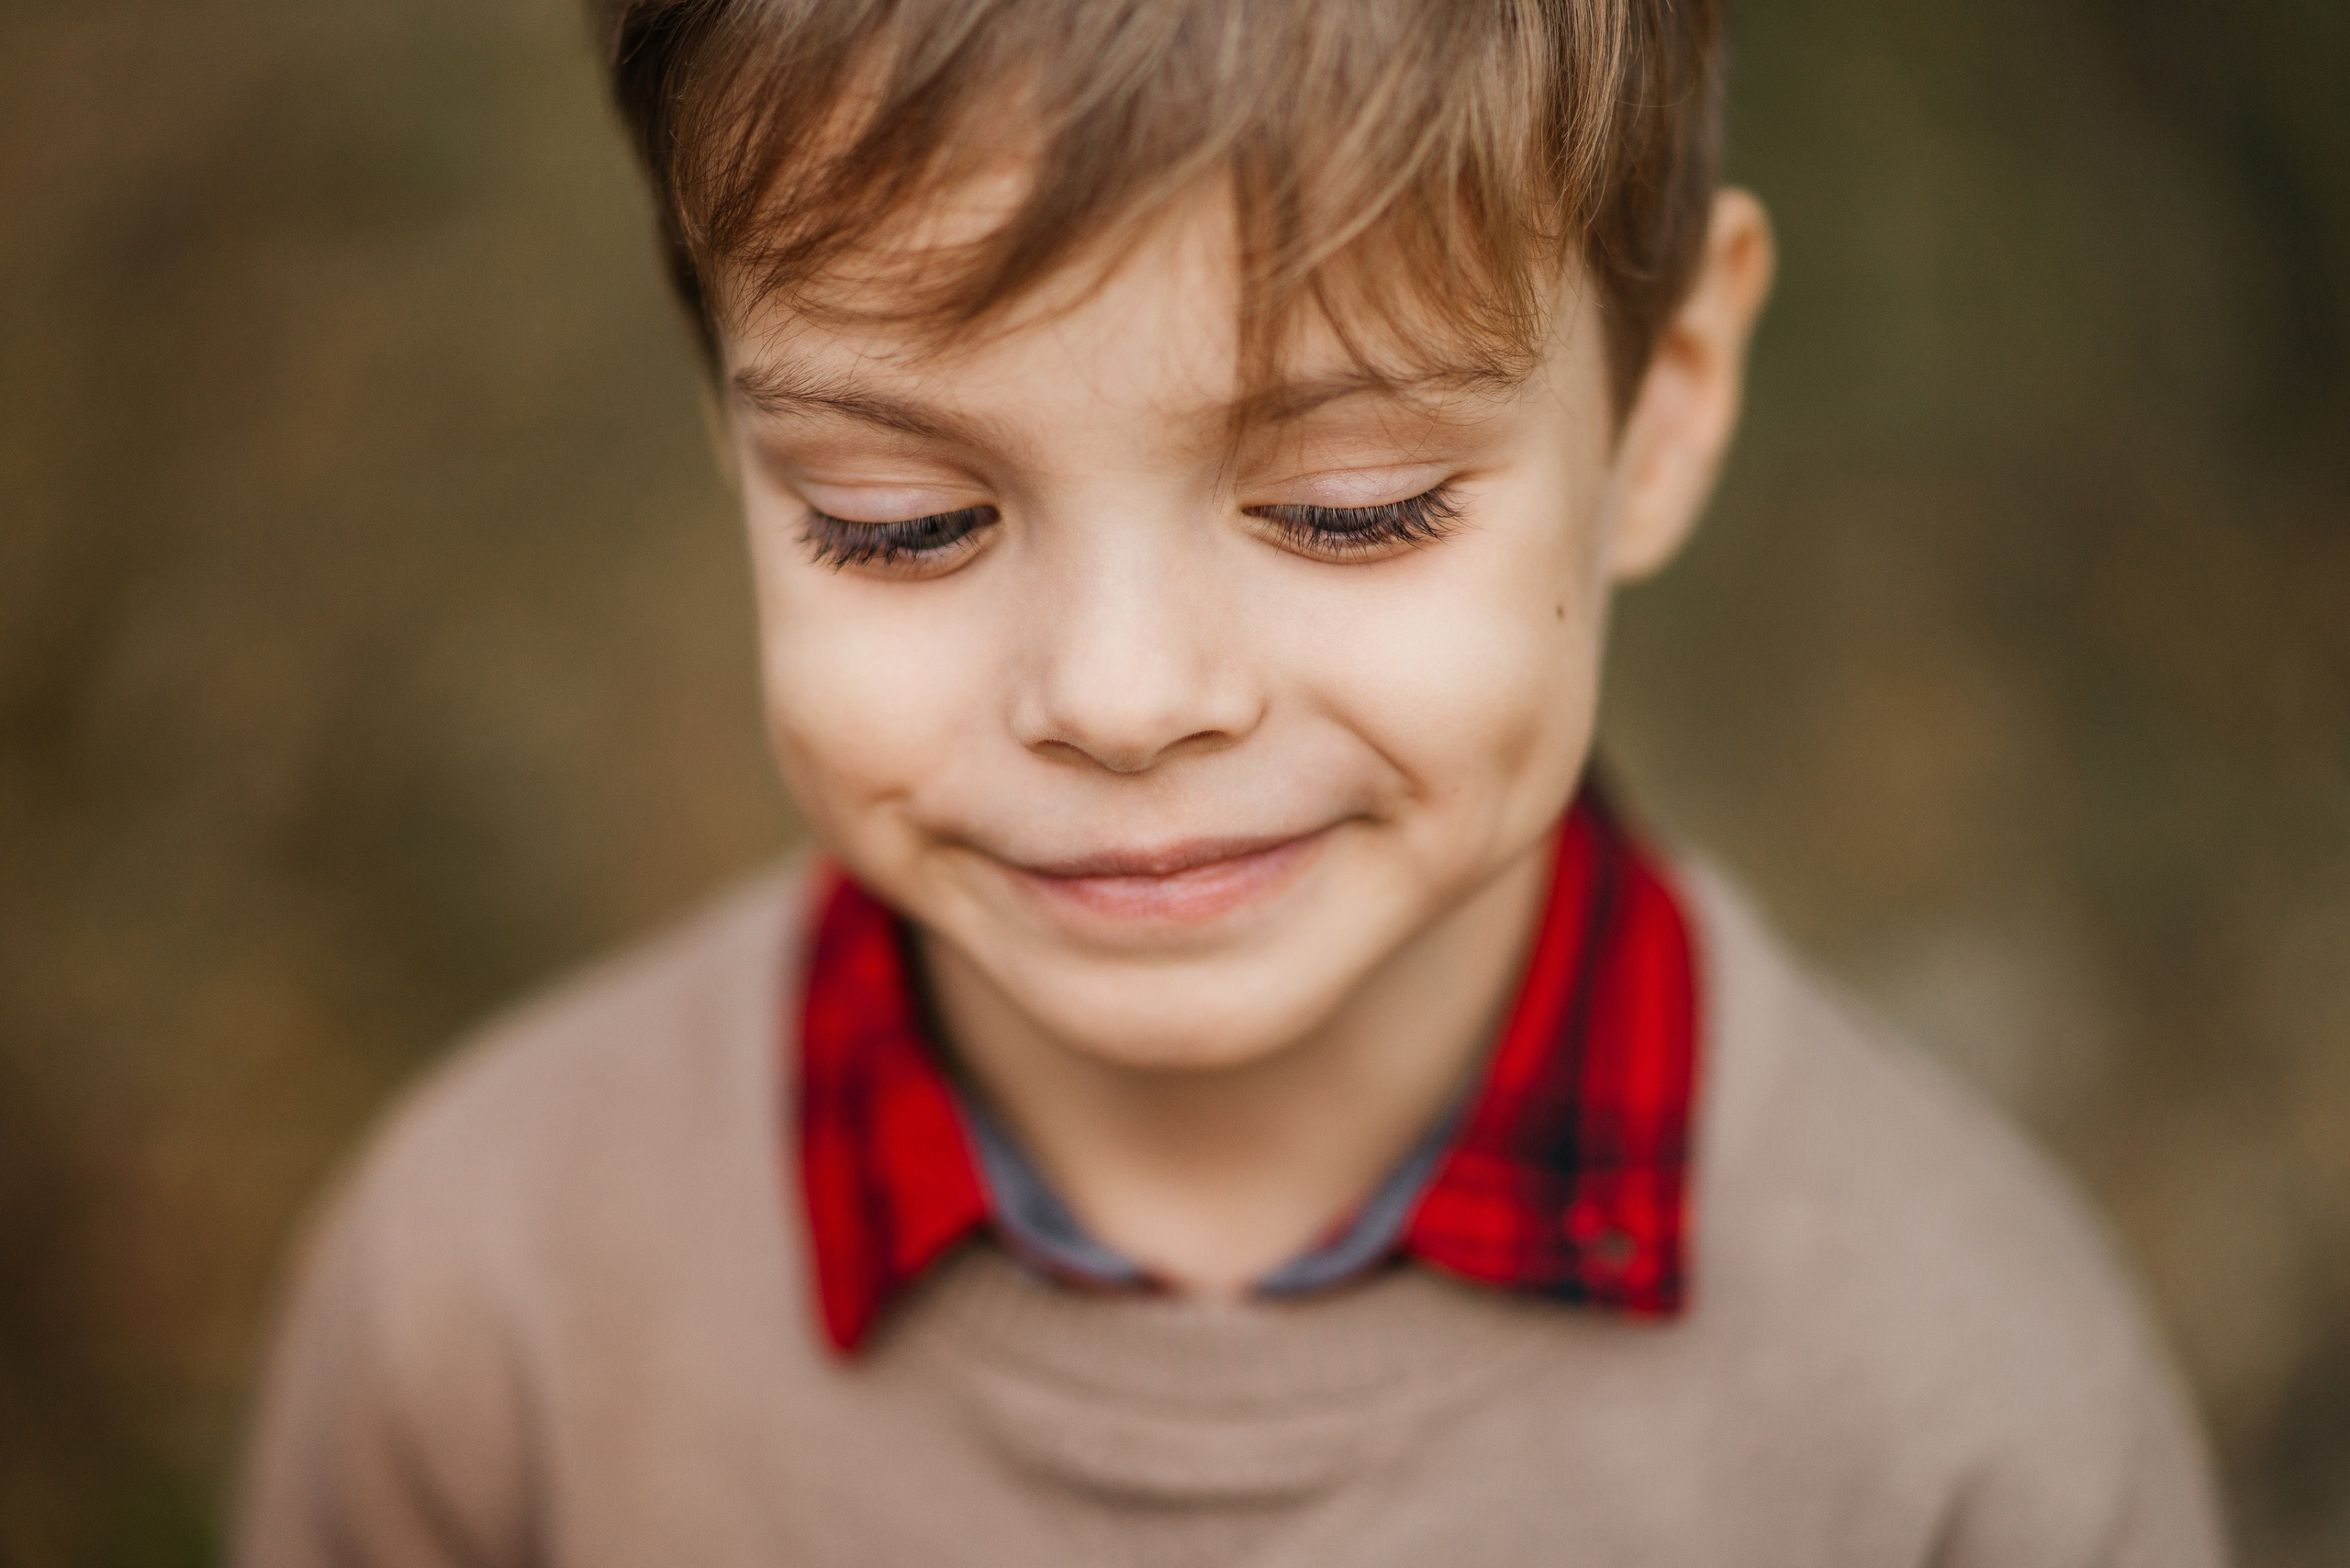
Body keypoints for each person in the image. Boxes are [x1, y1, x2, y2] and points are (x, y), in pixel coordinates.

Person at [235, 1, 2230, 1562]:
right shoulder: (488, 1304)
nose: (1121, 696)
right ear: (730, 440)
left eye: (1348, 509)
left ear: (1661, 406)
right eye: (901, 517)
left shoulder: (1965, 1418)